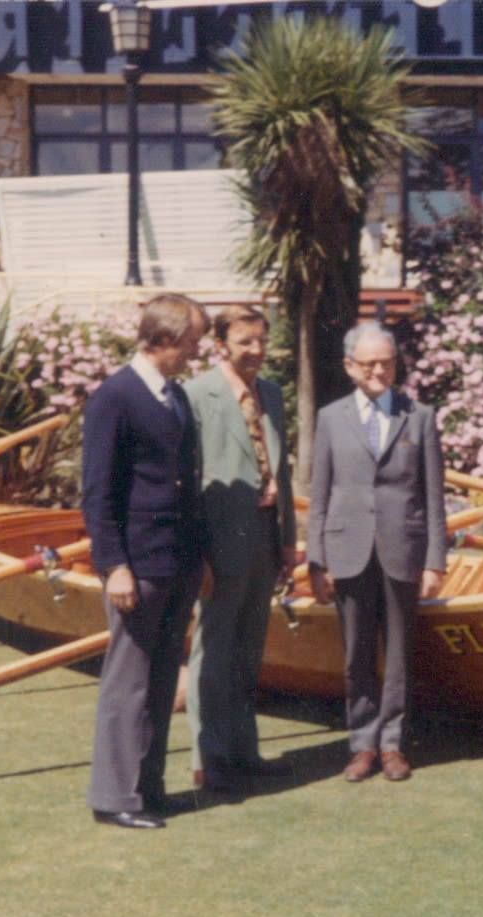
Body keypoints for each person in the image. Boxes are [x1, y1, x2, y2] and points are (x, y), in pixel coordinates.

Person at [82, 293, 208, 829]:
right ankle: (115, 797)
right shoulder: (116, 396)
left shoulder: (174, 396)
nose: (195, 354)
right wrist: (114, 565)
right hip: (137, 563)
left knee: (159, 683)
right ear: (162, 340)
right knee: (128, 682)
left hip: (175, 561)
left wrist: (197, 559)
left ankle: (147, 788)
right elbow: (97, 491)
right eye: (191, 343)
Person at [307, 321, 447, 783]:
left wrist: (433, 560)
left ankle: (392, 744)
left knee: (400, 655)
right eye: (369, 364)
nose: (379, 372)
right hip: (347, 551)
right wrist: (316, 559)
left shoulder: (420, 417)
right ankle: (362, 744)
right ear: (350, 367)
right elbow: (320, 495)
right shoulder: (330, 418)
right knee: (356, 656)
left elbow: (433, 496)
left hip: (402, 550)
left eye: (386, 362)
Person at [183, 305, 298, 795]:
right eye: (245, 341)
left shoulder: (270, 393)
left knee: (249, 649)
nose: (255, 350)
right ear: (221, 345)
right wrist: (198, 553)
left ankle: (244, 752)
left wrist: (288, 540)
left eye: (261, 341)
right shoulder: (197, 396)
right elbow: (189, 482)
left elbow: (281, 472)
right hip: (220, 541)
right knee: (214, 651)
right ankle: (208, 760)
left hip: (264, 536)